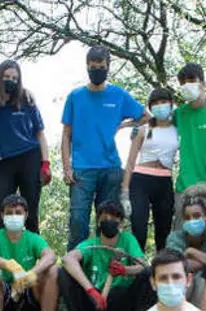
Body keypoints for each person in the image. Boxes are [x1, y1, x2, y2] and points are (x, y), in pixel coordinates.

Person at [61, 45, 148, 250]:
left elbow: (145, 116)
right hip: (82, 170)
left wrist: (125, 124)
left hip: (111, 168)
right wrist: (67, 167)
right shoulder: (75, 96)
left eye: (101, 66)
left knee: (108, 224)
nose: (96, 70)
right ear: (87, 67)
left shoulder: (119, 95)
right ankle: (75, 271)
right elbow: (66, 134)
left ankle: (103, 268)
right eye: (93, 66)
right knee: (77, 222)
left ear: (108, 66)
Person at [60, 200, 151, 311]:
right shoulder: (90, 244)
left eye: (114, 217)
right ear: (98, 222)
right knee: (64, 273)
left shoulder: (128, 240)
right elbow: (68, 259)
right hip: (94, 302)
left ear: (121, 223)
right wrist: (90, 290)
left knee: (149, 274)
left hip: (121, 300)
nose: (108, 220)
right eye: (104, 217)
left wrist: (125, 270)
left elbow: (143, 265)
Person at [0, 59, 49, 233]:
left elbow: (40, 133)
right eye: (6, 76)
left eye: (14, 78)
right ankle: (0, 255)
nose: (10, 80)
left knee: (31, 209)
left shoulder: (26, 100)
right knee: (1, 208)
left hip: (30, 157)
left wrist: (45, 163)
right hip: (4, 161)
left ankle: (36, 255)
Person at [124, 88, 179, 253]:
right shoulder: (144, 130)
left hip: (165, 181)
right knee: (139, 229)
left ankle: (162, 270)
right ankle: (137, 270)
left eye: (163, 102)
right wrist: (124, 192)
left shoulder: (178, 130)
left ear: (171, 104)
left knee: (163, 232)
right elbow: (130, 162)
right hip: (140, 180)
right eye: (155, 103)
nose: (160, 106)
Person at [172, 64, 206, 219]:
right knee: (182, 238)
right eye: (182, 82)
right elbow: (155, 124)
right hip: (183, 188)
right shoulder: (179, 114)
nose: (187, 85)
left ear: (204, 83)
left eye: (191, 80)